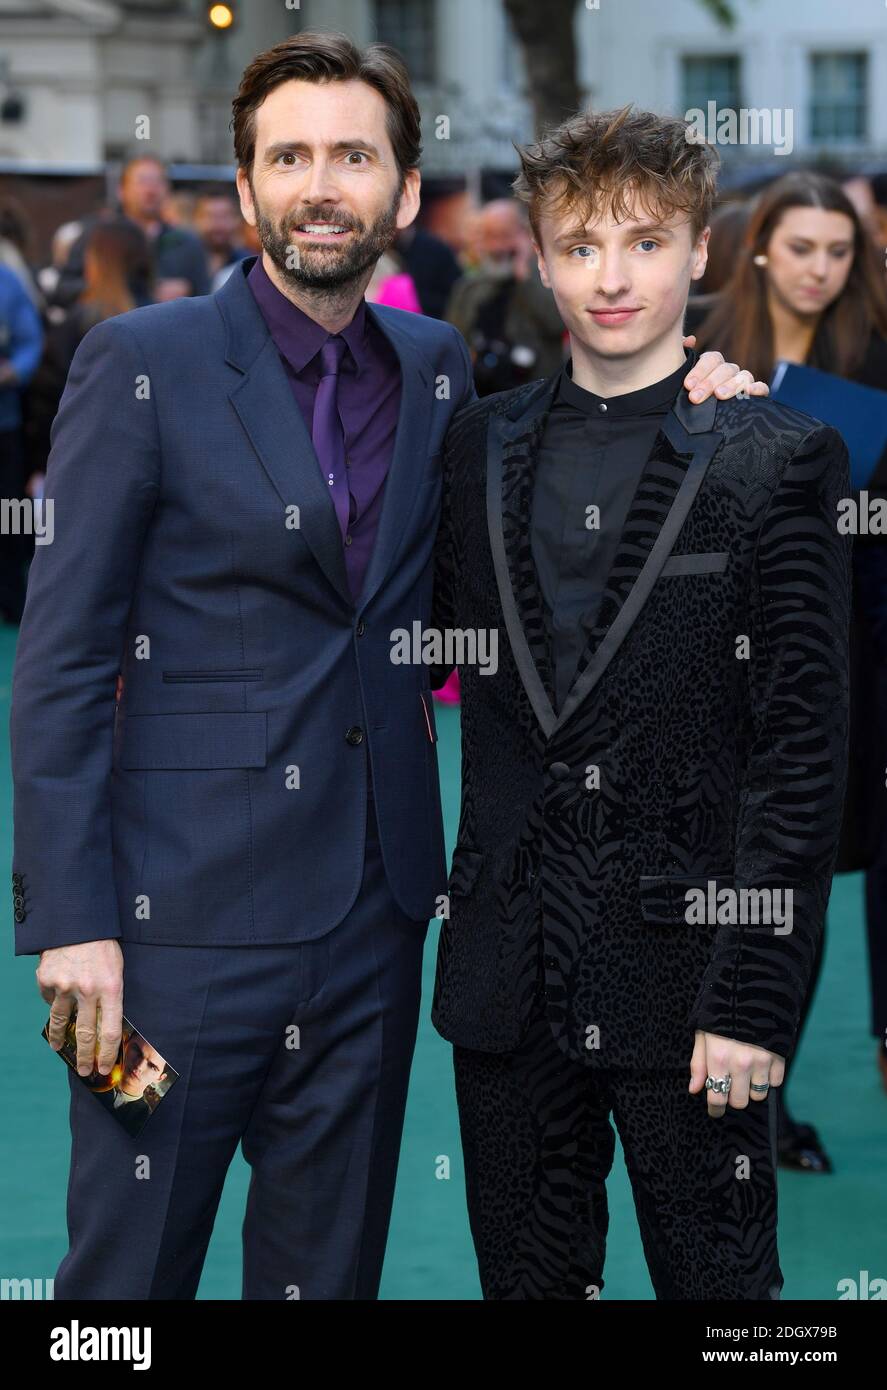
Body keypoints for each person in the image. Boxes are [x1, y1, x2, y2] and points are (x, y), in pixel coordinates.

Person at [11, 34, 762, 1302]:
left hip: (372, 916)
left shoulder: (433, 374)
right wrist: (73, 918)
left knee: (327, 1274)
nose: (320, 184)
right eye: (288, 156)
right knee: (122, 1290)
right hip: (176, 919)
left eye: (351, 156)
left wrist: (694, 403)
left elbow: (534, 541)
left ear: (404, 194)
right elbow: (65, 659)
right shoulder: (141, 363)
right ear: (244, 192)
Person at [430, 105, 851, 1300]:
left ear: (699, 252)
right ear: (538, 255)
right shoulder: (472, 449)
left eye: (643, 242)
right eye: (578, 245)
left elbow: (800, 750)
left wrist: (756, 999)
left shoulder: (775, 454)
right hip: (506, 983)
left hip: (693, 990)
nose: (609, 278)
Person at [690, 171, 887, 1155]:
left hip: (836, 661)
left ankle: (761, 1099)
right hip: (699, 659)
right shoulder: (692, 342)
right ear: (761, 244)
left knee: (792, 882)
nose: (817, 268)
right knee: (705, 875)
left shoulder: (877, 360)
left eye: (837, 251)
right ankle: (694, 1089)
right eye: (799, 246)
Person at [54, 155, 210, 308]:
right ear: (121, 191)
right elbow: (64, 290)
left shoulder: (186, 242)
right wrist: (115, 290)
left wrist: (188, 293)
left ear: (168, 190)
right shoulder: (98, 237)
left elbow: (205, 296)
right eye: (142, 181)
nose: (150, 189)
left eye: (158, 181)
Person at [445, 199, 566, 393]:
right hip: (483, 397)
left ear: (525, 235)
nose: (497, 246)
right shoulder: (468, 288)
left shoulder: (547, 279)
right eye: (489, 236)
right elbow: (452, 344)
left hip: (536, 395)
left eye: (505, 235)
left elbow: (557, 323)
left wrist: (523, 273)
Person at [0, 262, 43, 623]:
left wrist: (11, 370)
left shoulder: (7, 280)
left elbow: (31, 342)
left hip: (6, 423)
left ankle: (14, 598)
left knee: (13, 512)